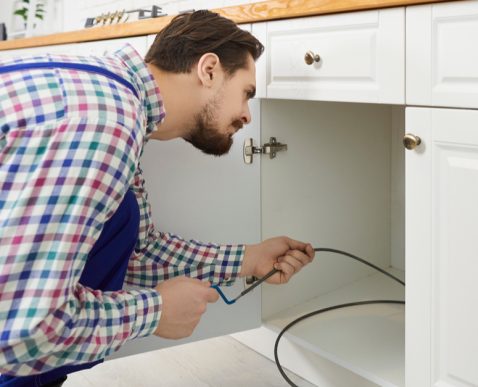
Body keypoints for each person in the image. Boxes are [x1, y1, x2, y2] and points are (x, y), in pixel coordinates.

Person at [0, 10, 315, 387]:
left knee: (122, 217)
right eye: (246, 93)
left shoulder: (116, 97)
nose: (247, 116)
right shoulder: (104, 121)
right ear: (209, 69)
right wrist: (154, 312)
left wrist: (249, 259)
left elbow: (138, 252)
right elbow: (20, 332)